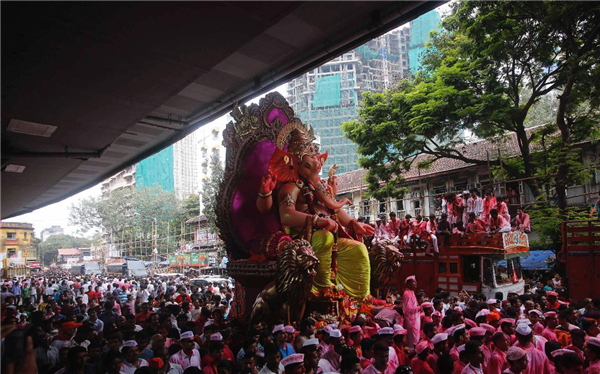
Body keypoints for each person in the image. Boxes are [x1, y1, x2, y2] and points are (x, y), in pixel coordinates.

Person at [257, 128, 375, 300]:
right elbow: (286, 215)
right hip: (305, 238)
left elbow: (334, 208)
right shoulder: (292, 186)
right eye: (310, 158)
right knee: (325, 238)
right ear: (296, 162)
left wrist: (353, 223)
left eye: (315, 156)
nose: (316, 161)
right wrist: (317, 221)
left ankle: (362, 297)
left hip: (330, 234)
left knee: (360, 249)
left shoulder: (318, 186)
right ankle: (321, 289)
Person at [403, 276, 421, 350]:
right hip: (411, 321)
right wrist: (419, 308)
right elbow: (408, 309)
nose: (416, 283)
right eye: (414, 281)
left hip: (414, 321)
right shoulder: (407, 294)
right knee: (412, 342)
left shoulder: (411, 292)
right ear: (408, 284)